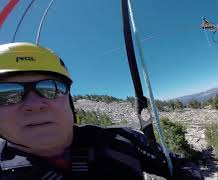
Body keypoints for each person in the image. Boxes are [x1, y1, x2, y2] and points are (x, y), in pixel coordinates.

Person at [0, 42, 199, 180]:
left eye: (50, 88)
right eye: (6, 94)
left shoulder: (121, 140)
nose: (35, 104)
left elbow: (180, 164)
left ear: (68, 100)